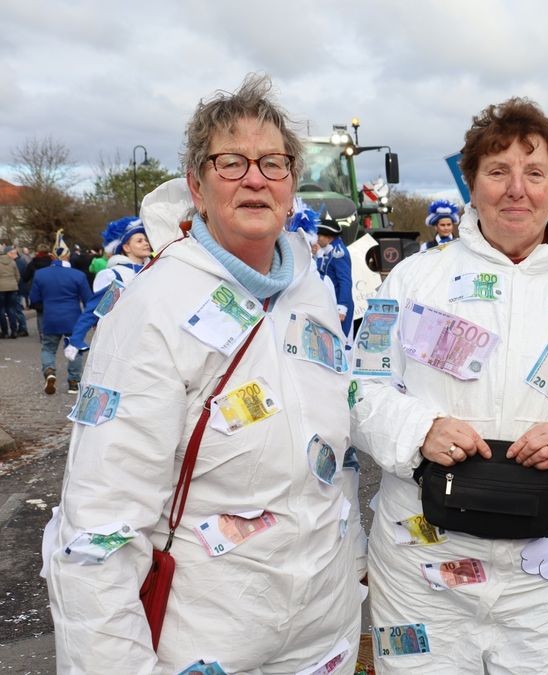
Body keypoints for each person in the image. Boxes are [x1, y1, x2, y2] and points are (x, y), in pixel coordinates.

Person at [43, 74, 361, 673]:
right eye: (232, 162)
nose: (255, 178)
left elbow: (334, 465)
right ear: (196, 183)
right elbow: (102, 523)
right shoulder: (152, 307)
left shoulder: (310, 290)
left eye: (273, 162)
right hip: (207, 644)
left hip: (322, 638)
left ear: (292, 183)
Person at [351, 97, 548, 673]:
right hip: (422, 563)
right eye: (497, 171)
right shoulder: (413, 278)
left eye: (534, 172)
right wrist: (419, 428)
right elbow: (359, 387)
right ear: (471, 184)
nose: (516, 188)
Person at [65, 216, 153, 361]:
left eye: (146, 240)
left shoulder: (154, 270)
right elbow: (99, 310)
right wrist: (76, 339)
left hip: (153, 341)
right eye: (139, 241)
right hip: (127, 344)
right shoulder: (119, 275)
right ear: (126, 247)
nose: (146, 243)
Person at [29, 233, 90, 394]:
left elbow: (34, 297)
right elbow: (88, 298)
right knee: (74, 347)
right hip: (73, 317)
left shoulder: (41, 274)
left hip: (51, 316)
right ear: (68, 256)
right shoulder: (78, 275)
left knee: (48, 348)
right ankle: (74, 381)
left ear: (52, 256)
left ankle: (49, 371)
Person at [315, 212, 354, 337]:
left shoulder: (339, 253)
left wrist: (341, 307)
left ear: (329, 237)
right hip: (328, 303)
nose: (317, 238)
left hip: (337, 304)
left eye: (319, 235)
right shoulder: (328, 250)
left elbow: (345, 281)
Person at [0, 243, 22, 338]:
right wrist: (14, 283)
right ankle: (14, 331)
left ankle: (4, 331)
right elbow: (17, 275)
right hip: (12, 287)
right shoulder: (12, 261)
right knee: (11, 309)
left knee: (1, 310)